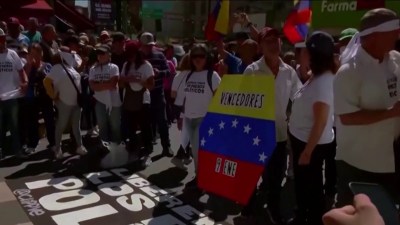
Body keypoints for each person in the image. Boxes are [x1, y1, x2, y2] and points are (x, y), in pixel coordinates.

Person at [334, 8, 400, 208]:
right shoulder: (349, 72)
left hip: (391, 158)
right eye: (393, 31)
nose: (397, 35)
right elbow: (347, 118)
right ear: (374, 36)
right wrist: (391, 113)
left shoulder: (395, 59)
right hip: (359, 163)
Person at [242, 27, 302, 224]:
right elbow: (242, 103)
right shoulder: (252, 71)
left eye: (276, 40)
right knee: (251, 175)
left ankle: (274, 209)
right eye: (268, 41)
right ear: (260, 46)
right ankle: (249, 205)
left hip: (279, 135)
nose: (274, 44)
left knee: (276, 178)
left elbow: (297, 99)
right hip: (255, 135)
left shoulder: (290, 72)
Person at [289, 31, 336, 225]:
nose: (301, 53)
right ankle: (303, 213)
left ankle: (312, 218)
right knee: (305, 184)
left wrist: (307, 152)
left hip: (310, 145)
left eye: (305, 50)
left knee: (311, 185)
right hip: (303, 140)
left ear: (313, 54)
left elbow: (321, 121)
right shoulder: (318, 76)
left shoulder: (323, 83)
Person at [175, 44, 221, 179]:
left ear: (207, 58)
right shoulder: (188, 75)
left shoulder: (212, 76)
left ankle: (200, 178)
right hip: (188, 118)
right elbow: (184, 99)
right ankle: (200, 177)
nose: (197, 59)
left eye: (201, 56)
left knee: (197, 150)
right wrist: (181, 117)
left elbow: (219, 98)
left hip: (204, 119)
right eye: (194, 56)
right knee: (196, 151)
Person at [43, 46, 87, 159]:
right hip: (63, 102)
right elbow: (46, 81)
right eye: (67, 52)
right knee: (61, 126)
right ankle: (58, 149)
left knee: (76, 126)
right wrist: (52, 95)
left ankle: (80, 146)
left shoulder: (70, 67)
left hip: (76, 102)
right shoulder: (56, 68)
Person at [140, 32, 173, 157]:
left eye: (150, 45)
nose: (148, 48)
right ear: (141, 45)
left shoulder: (159, 55)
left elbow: (168, 72)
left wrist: (159, 73)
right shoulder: (138, 57)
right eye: (146, 46)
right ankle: (147, 146)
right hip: (143, 94)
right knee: (145, 122)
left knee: (162, 121)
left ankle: (166, 146)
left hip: (158, 93)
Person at [120, 40, 154, 155]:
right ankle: (133, 144)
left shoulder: (146, 66)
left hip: (143, 98)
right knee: (131, 125)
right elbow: (120, 82)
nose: (130, 57)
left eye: (132, 54)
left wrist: (140, 81)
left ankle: (148, 145)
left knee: (144, 125)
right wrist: (128, 79)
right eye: (128, 55)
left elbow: (151, 85)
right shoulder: (126, 65)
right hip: (129, 98)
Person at [0, 28, 28, 159]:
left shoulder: (13, 54)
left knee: (14, 126)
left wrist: (25, 82)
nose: (2, 41)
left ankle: (17, 151)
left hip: (12, 97)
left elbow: (21, 71)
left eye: (3, 38)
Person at [24, 43, 55, 153]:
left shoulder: (47, 66)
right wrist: (29, 65)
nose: (35, 56)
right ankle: (32, 144)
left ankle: (53, 143)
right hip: (32, 97)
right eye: (32, 54)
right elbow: (25, 80)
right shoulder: (27, 66)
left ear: (41, 54)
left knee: (49, 120)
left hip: (45, 96)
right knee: (32, 121)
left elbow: (52, 81)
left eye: (37, 53)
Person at [89, 45, 121, 145]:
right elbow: (92, 87)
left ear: (109, 55)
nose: (100, 56)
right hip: (100, 101)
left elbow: (112, 84)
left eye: (103, 53)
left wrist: (99, 85)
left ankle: (116, 144)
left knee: (115, 125)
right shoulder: (93, 69)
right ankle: (105, 145)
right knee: (102, 125)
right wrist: (106, 84)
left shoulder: (114, 67)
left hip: (114, 101)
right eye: (98, 54)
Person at [171, 53, 193, 167]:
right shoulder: (193, 76)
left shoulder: (177, 75)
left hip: (177, 106)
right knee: (188, 132)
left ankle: (186, 154)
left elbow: (173, 94)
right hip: (187, 106)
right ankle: (180, 155)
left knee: (186, 132)